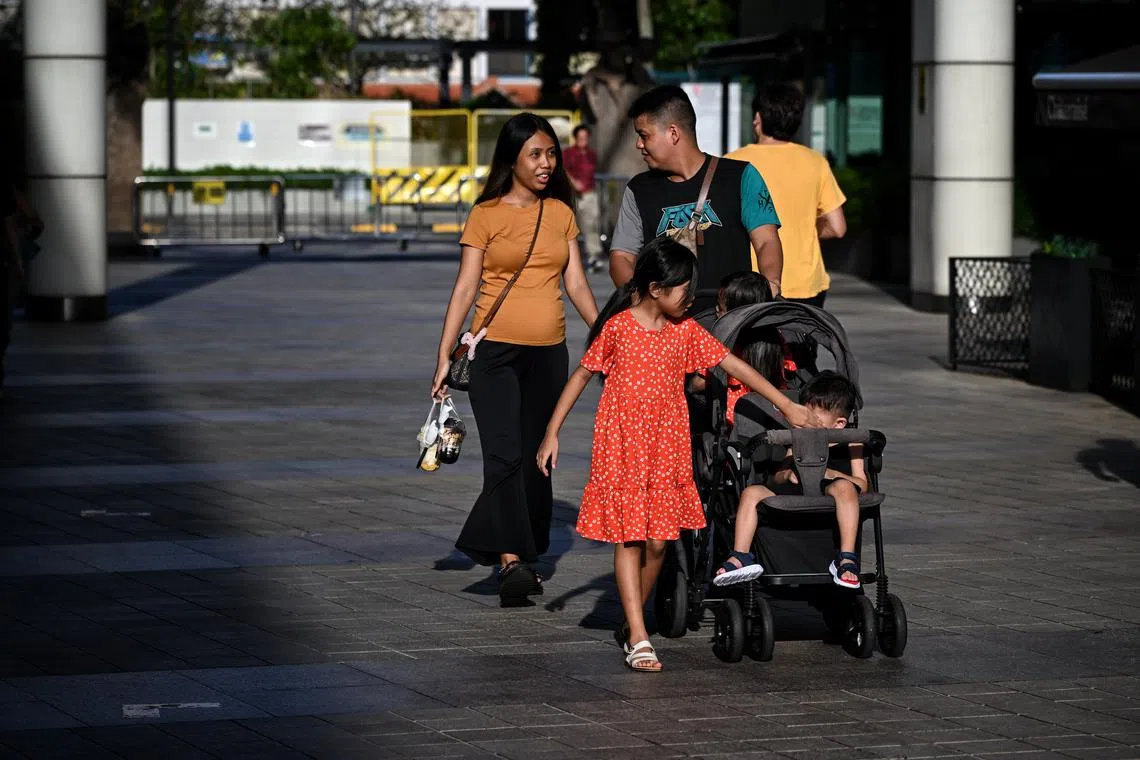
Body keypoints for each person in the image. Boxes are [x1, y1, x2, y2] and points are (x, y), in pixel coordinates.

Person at [535, 238, 814, 672]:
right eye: (685, 288)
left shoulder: (685, 332)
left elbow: (734, 365)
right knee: (630, 537)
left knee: (659, 543)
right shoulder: (618, 328)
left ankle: (632, 621)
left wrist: (787, 405)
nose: (691, 298)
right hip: (622, 443)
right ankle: (638, 632)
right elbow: (582, 376)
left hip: (667, 445)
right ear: (655, 288)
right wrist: (551, 432)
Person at [432, 113, 600, 607]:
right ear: (512, 159)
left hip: (548, 356)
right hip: (494, 354)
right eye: (535, 154)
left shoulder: (561, 213)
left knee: (534, 460)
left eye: (551, 154)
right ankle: (511, 562)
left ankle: (524, 553)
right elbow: (466, 286)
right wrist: (443, 354)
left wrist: (606, 331)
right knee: (503, 454)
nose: (546, 163)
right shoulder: (485, 215)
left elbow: (575, 282)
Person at [608, 85, 784, 311]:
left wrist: (771, 282)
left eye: (644, 135)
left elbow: (766, 240)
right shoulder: (638, 190)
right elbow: (621, 257)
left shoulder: (741, 176)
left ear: (673, 133)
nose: (638, 144)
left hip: (730, 318)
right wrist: (641, 301)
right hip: (666, 325)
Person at [714, 371, 867, 589]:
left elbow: (861, 484)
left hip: (831, 492)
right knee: (751, 492)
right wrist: (787, 474)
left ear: (839, 423)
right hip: (796, 489)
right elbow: (778, 477)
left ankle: (847, 558)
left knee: (846, 487)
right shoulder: (799, 438)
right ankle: (741, 556)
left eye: (812, 416)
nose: (803, 420)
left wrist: (832, 474)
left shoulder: (852, 442)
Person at [726, 83, 847, 308]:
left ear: (757, 118)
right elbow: (837, 227)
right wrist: (807, 227)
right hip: (807, 285)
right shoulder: (815, 162)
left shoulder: (732, 162)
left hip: (753, 284)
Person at [688, 271, 784, 426]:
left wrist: (689, 385)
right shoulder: (776, 338)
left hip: (735, 419)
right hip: (773, 413)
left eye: (721, 308)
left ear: (737, 314)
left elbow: (700, 383)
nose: (716, 310)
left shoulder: (724, 342)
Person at [1, 179, 42, 401]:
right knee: (4, 323)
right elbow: (35, 223)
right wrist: (19, 263)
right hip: (5, 264)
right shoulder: (8, 188)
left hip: (6, 263)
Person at [563, 124, 603, 272]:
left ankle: (593, 257)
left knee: (592, 225)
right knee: (570, 227)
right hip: (573, 195)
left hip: (590, 194)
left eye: (585, 138)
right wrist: (573, 182)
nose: (583, 140)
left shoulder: (591, 154)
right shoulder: (568, 153)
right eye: (580, 138)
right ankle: (568, 257)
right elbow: (563, 169)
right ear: (576, 138)